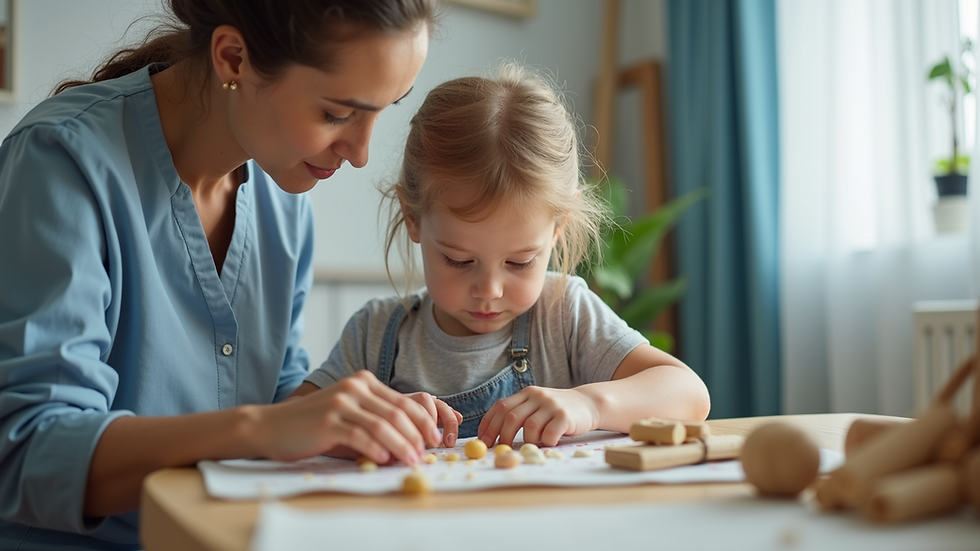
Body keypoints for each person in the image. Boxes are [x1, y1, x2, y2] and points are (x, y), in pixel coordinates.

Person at [0, 1, 446, 549]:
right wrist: (259, 429)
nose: (360, 154)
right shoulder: (62, 164)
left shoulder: (285, 202)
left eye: (385, 109)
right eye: (336, 114)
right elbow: (27, 451)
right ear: (233, 58)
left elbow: (277, 391)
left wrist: (354, 425)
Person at [295, 63, 711, 450]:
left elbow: (689, 394)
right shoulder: (377, 334)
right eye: (459, 260)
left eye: (519, 262)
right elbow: (288, 424)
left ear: (558, 227)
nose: (489, 291)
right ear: (413, 218)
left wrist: (591, 404)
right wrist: (361, 426)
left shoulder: (564, 316)